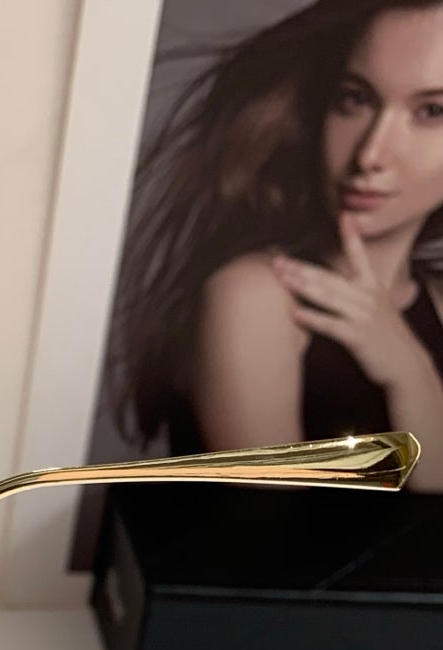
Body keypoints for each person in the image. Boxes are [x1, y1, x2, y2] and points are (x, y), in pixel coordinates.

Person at [110, 0, 443, 489]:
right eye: (355, 99)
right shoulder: (256, 295)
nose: (371, 154)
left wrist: (413, 377)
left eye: (432, 111)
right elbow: (269, 531)